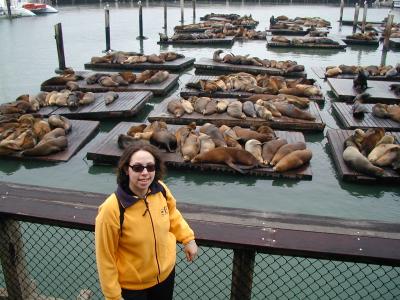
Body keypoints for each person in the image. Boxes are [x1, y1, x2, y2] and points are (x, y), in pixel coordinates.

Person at [95, 142, 198, 300]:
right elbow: (105, 258)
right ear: (126, 169)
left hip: (165, 276)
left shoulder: (161, 190)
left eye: (150, 167)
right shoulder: (112, 209)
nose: (145, 173)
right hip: (133, 287)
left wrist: (188, 238)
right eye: (137, 168)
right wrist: (114, 297)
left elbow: (172, 214)